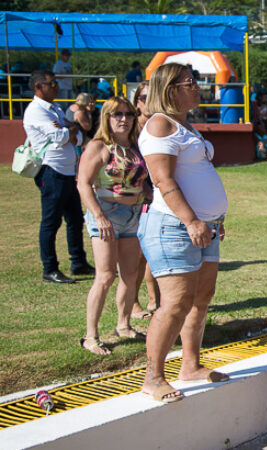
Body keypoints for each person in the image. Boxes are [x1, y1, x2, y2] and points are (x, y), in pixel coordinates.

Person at [137, 63, 229, 403]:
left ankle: (190, 365)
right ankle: (153, 377)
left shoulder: (184, 125)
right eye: (191, 82)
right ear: (171, 88)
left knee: (200, 299)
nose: (198, 86)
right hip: (174, 227)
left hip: (204, 228)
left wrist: (212, 217)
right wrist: (192, 220)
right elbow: (163, 180)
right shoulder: (160, 123)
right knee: (174, 303)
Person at [75, 97, 150, 355]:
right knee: (105, 276)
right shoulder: (99, 146)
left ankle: (124, 324)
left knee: (130, 275)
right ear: (106, 117)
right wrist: (98, 215)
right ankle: (91, 336)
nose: (124, 119)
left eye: (128, 114)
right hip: (106, 212)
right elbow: (83, 183)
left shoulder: (136, 146)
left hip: (133, 214)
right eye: (116, 114)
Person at [24, 69, 94, 284]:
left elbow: (78, 135)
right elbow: (61, 136)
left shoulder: (53, 108)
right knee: (51, 221)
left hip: (67, 170)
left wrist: (69, 130)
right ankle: (50, 268)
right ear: (38, 87)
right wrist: (69, 130)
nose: (56, 87)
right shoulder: (36, 110)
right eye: (52, 84)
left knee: (74, 219)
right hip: (51, 170)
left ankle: (78, 262)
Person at [131, 81, 160, 319]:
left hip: (158, 196)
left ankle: (154, 300)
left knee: (153, 252)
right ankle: (133, 304)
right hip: (136, 197)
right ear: (136, 101)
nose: (148, 101)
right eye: (143, 97)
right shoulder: (130, 129)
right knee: (136, 255)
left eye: (153, 96)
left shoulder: (162, 126)